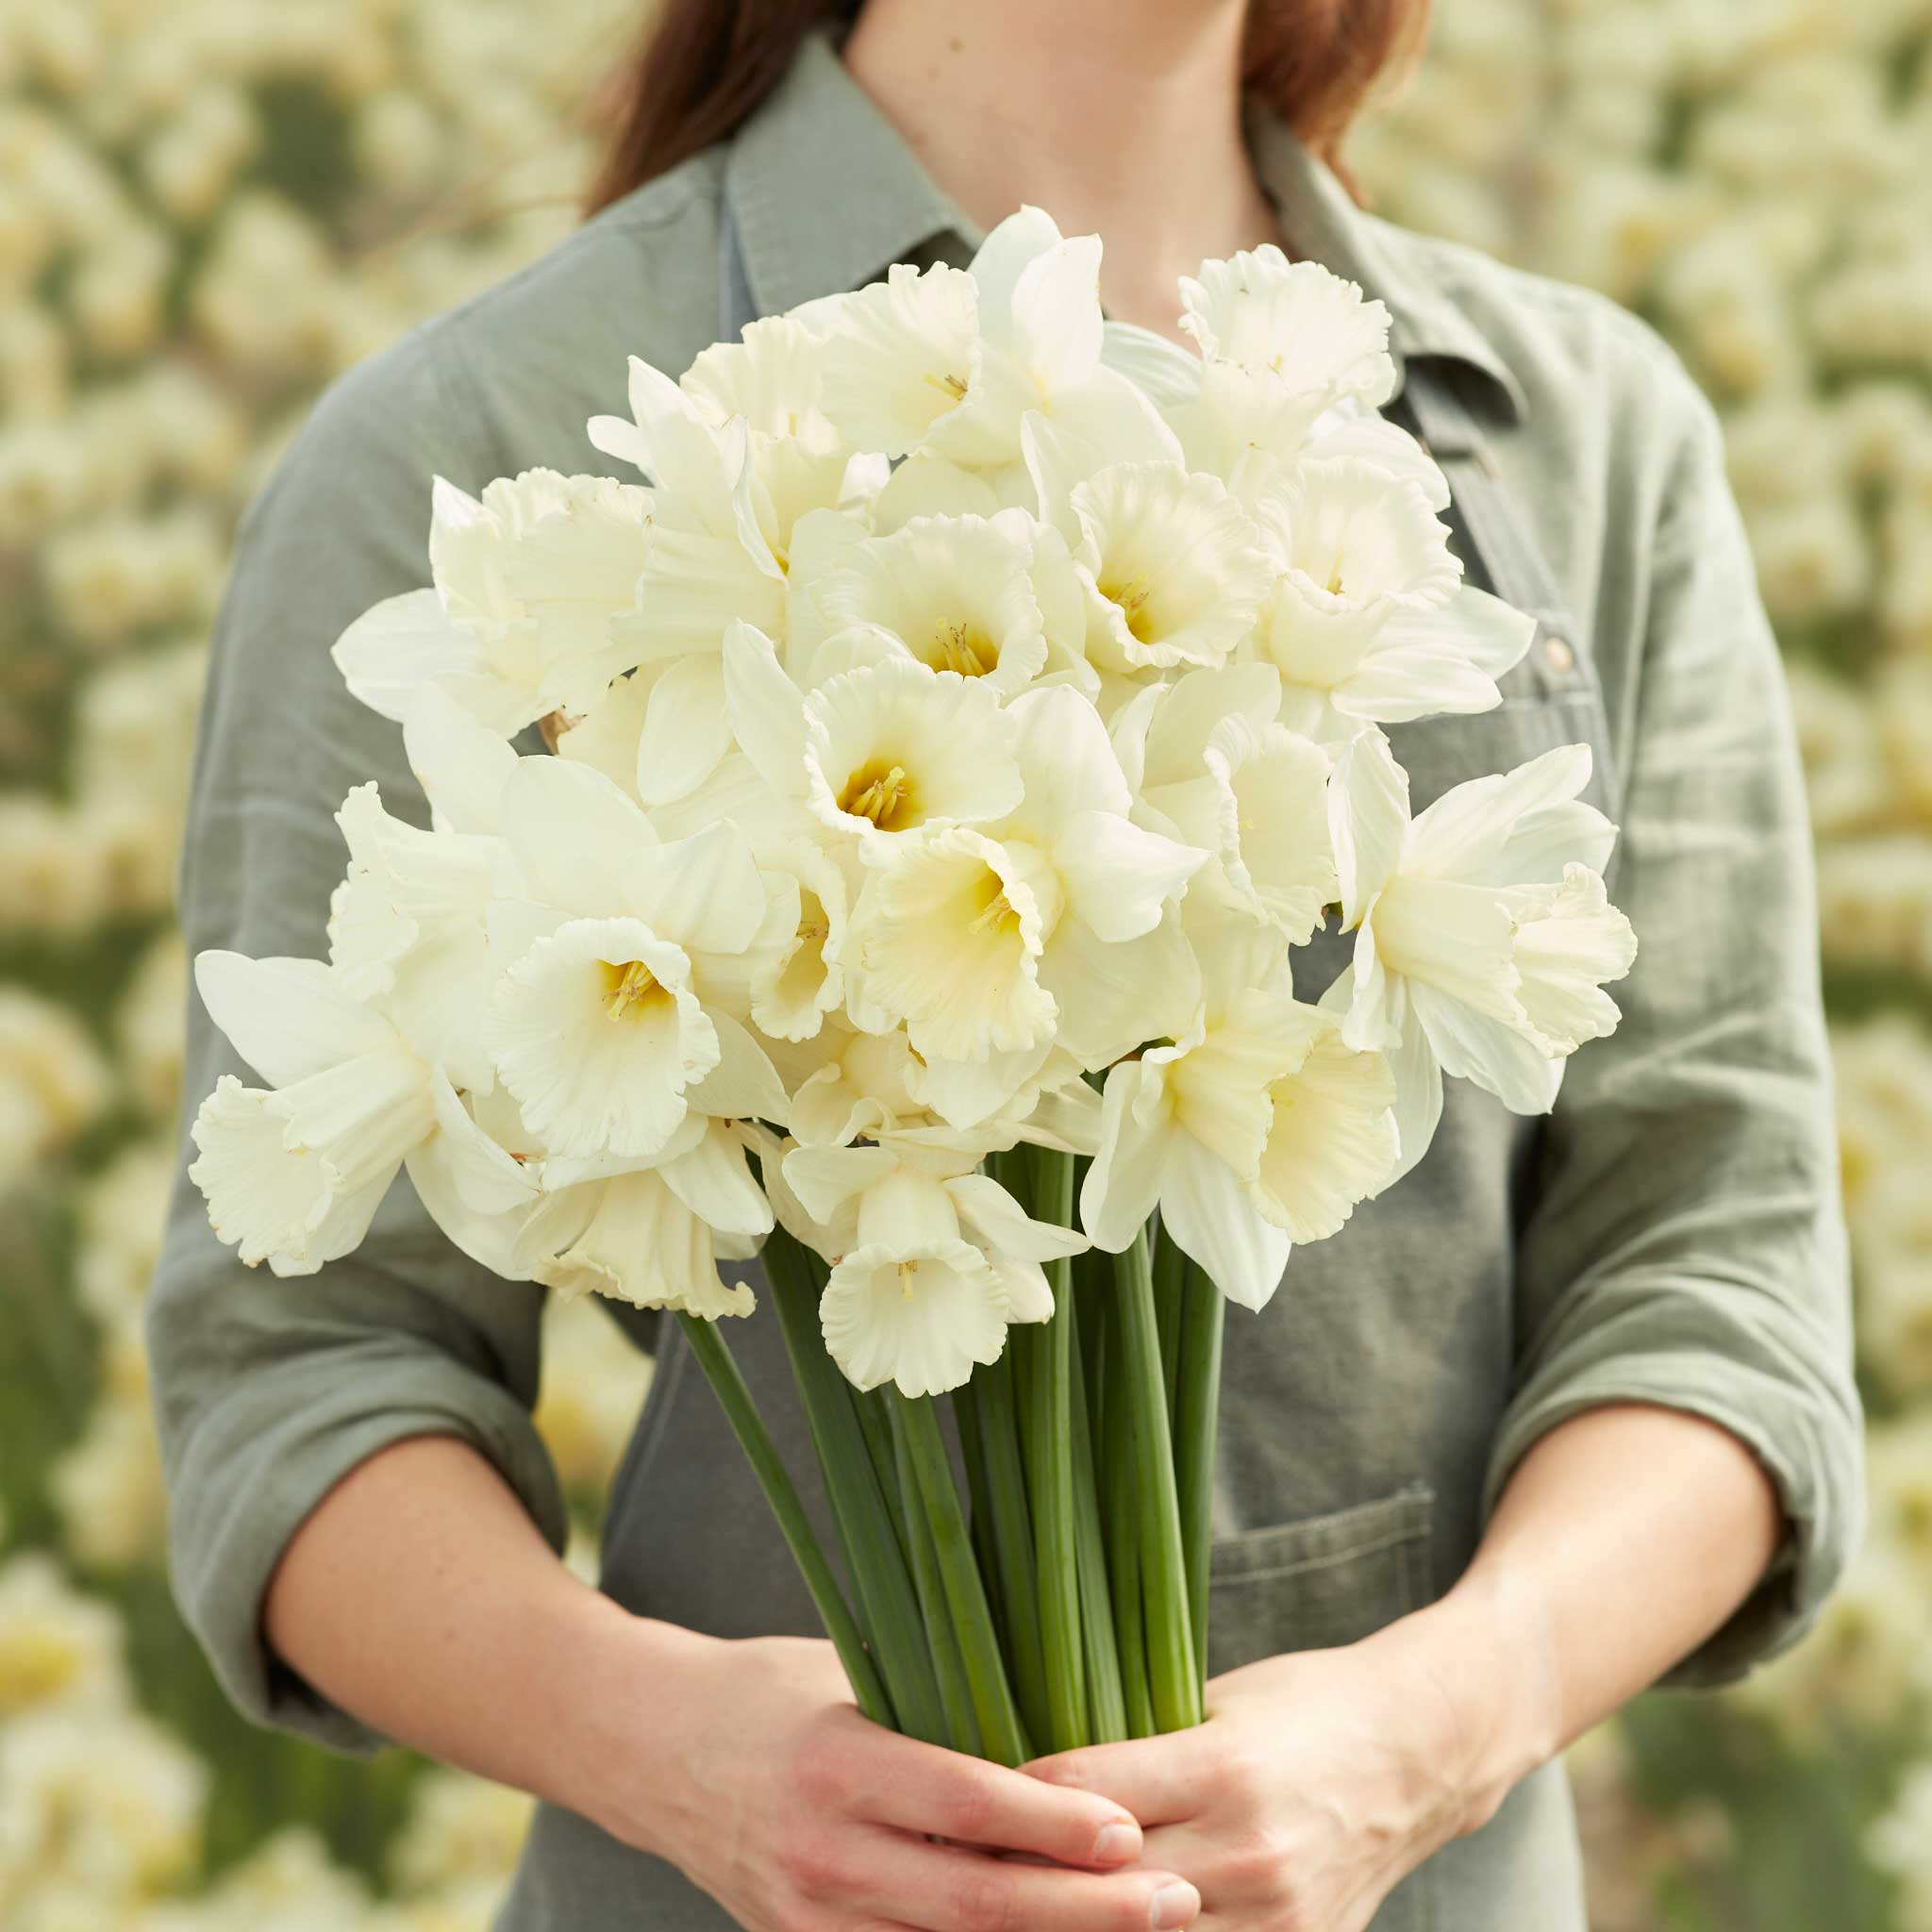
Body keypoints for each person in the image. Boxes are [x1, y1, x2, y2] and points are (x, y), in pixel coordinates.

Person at [147, 3, 1865, 1927]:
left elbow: (1715, 1275)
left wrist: (1422, 1741)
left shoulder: (1576, 438)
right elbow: (301, 1373)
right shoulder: (479, 451)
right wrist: (679, 1753)